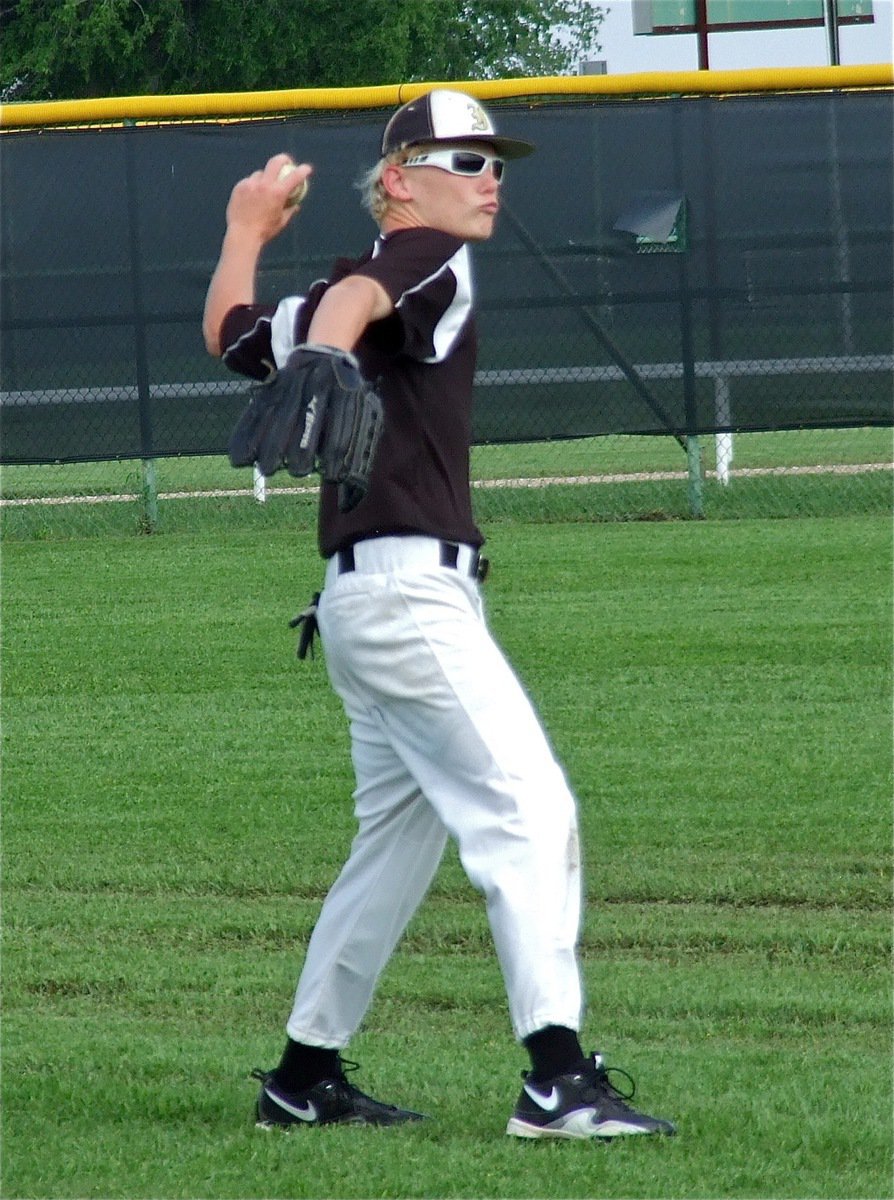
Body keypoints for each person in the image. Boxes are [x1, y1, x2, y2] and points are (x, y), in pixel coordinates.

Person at [203, 88, 676, 1141]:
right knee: (529, 811)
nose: (490, 179)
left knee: (396, 846)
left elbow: (236, 338)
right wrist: (329, 347)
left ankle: (301, 1076)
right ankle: (557, 1080)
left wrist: (243, 235)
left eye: (495, 162)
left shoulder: (350, 282)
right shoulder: (422, 258)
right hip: (411, 599)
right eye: (464, 161)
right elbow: (366, 297)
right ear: (401, 180)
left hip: (364, 605)